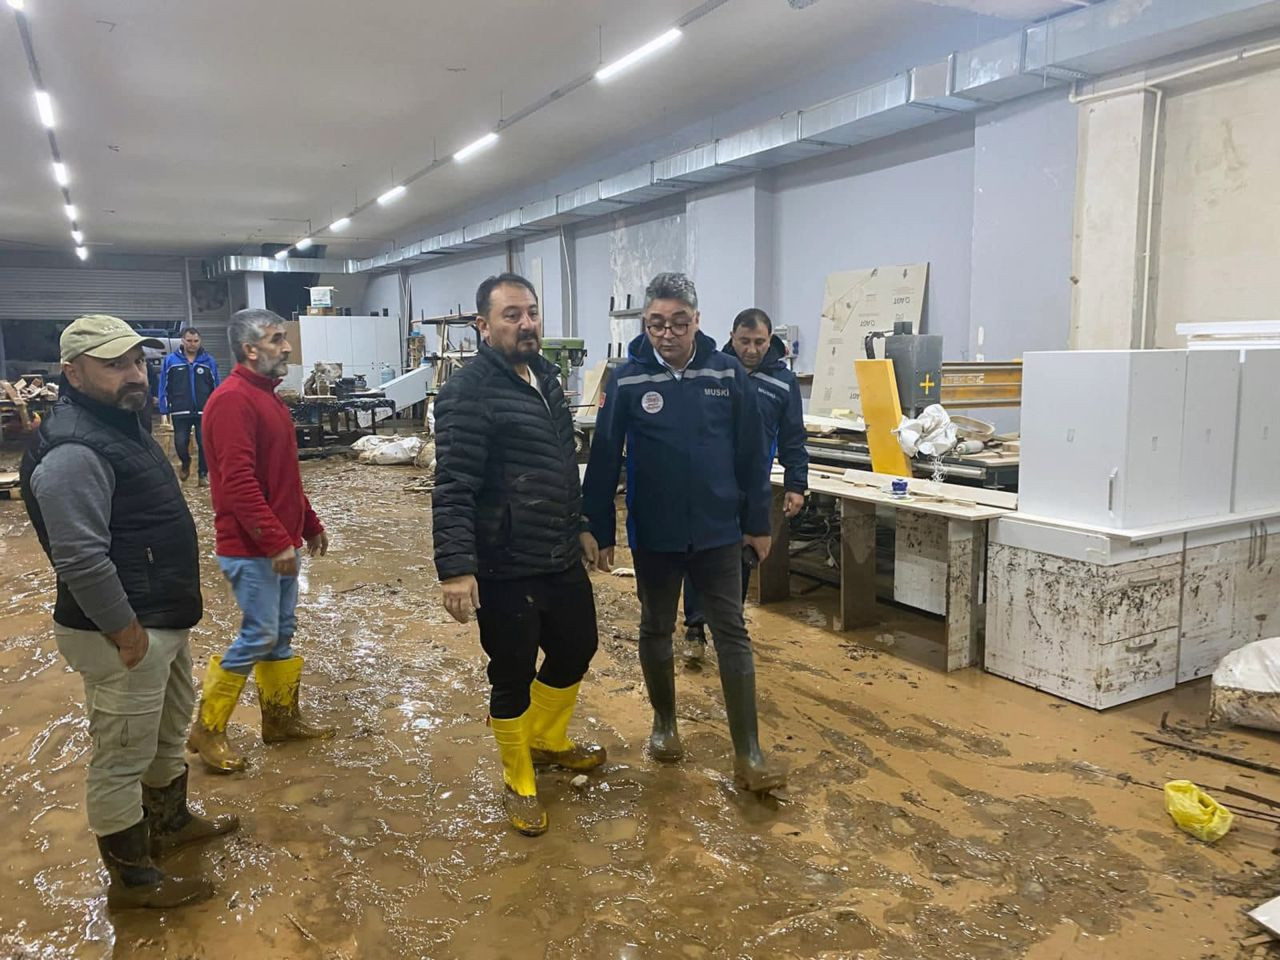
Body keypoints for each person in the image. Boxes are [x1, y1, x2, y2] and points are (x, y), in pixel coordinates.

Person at [19, 314, 238, 909]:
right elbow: (79, 556)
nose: (133, 374)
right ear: (73, 372)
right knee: (120, 755)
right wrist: (123, 627)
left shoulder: (119, 422)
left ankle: (169, 822)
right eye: (114, 365)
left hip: (158, 615)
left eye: (137, 362)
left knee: (167, 732)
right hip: (123, 629)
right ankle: (133, 878)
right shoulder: (72, 448)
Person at [582, 273, 786, 793]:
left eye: (678, 323)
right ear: (645, 324)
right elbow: (604, 458)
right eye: (656, 324)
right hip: (656, 532)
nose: (667, 334)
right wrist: (600, 528)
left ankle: (750, 753)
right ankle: (664, 723)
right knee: (655, 627)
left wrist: (757, 523)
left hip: (719, 531)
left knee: (731, 632)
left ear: (696, 321)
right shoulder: (625, 379)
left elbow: (750, 454)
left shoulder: (726, 374)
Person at [433, 273, 604, 837]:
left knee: (578, 647)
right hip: (504, 560)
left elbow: (561, 460)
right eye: (511, 315)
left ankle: (548, 739)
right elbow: (453, 484)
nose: (525, 323)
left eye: (531, 312)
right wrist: (457, 568)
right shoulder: (468, 391)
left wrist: (580, 524)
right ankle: (519, 775)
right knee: (510, 672)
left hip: (556, 550)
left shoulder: (546, 378)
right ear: (483, 325)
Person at [189, 309, 333, 774]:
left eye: (284, 338)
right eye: (277, 339)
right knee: (261, 633)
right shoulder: (232, 400)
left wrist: (308, 524)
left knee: (280, 632)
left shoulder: (267, 398)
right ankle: (208, 728)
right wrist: (274, 541)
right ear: (251, 350)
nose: (287, 347)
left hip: (274, 543)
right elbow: (239, 484)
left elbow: (283, 476)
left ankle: (280, 720)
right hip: (249, 549)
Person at [678, 308, 809, 666]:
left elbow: (794, 437)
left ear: (771, 341)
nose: (751, 349)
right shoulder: (711, 372)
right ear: (732, 336)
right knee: (698, 555)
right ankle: (694, 626)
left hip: (751, 488)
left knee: (742, 557)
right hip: (707, 485)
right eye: (744, 341)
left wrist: (797, 483)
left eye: (759, 342)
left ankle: (729, 629)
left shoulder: (783, 383)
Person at [158, 327, 220, 486]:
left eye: (196, 341)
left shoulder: (208, 361)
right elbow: (163, 384)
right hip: (180, 409)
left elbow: (216, 387)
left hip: (204, 410)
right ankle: (185, 462)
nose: (193, 344)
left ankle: (202, 475)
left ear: (200, 341)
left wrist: (218, 407)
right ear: (183, 341)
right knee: (180, 442)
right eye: (189, 341)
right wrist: (164, 406)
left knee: (204, 443)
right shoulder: (171, 361)